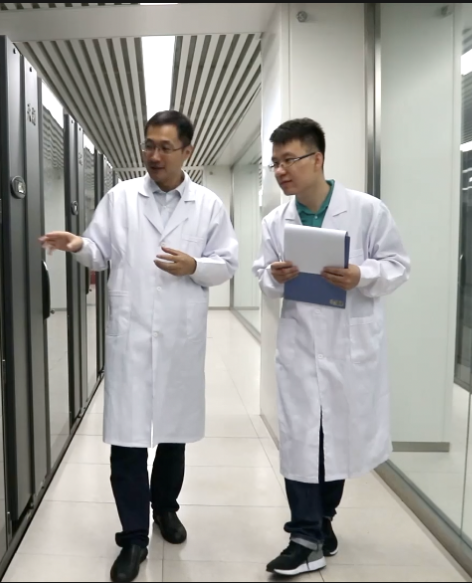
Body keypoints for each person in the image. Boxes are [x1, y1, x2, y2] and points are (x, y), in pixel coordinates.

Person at [41, 110, 239, 583]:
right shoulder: (121, 197)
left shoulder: (208, 205)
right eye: (148, 145)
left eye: (165, 147)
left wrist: (195, 266)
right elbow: (101, 253)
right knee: (127, 442)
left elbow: (227, 263)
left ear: (187, 151)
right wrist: (78, 245)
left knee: (172, 435)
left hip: (178, 339)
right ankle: (133, 538)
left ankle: (165, 508)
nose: (154, 155)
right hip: (131, 337)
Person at [252, 118, 410, 577]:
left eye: (289, 160)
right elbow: (262, 276)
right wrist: (275, 277)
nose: (281, 171)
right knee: (301, 439)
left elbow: (398, 265)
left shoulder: (367, 210)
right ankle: (304, 538)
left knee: (334, 438)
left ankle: (323, 521)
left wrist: (362, 275)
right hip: (301, 345)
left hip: (348, 344)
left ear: (317, 158)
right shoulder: (275, 221)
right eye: (274, 163)